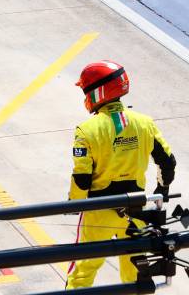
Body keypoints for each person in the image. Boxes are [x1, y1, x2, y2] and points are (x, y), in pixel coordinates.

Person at [66, 61, 176, 289]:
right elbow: (167, 163)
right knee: (137, 272)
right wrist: (161, 192)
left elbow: (81, 177)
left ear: (97, 92)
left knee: (84, 271)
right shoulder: (145, 123)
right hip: (137, 210)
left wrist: (75, 204)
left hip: (98, 212)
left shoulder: (86, 130)